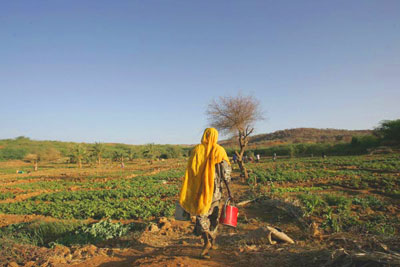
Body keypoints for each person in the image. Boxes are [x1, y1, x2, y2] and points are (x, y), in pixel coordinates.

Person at [179, 128, 232, 259]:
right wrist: (229, 191)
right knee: (214, 214)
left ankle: (207, 240)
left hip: (198, 190)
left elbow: (191, 171)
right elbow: (226, 174)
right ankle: (211, 240)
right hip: (215, 191)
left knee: (201, 214)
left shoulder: (197, 150)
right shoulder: (219, 151)